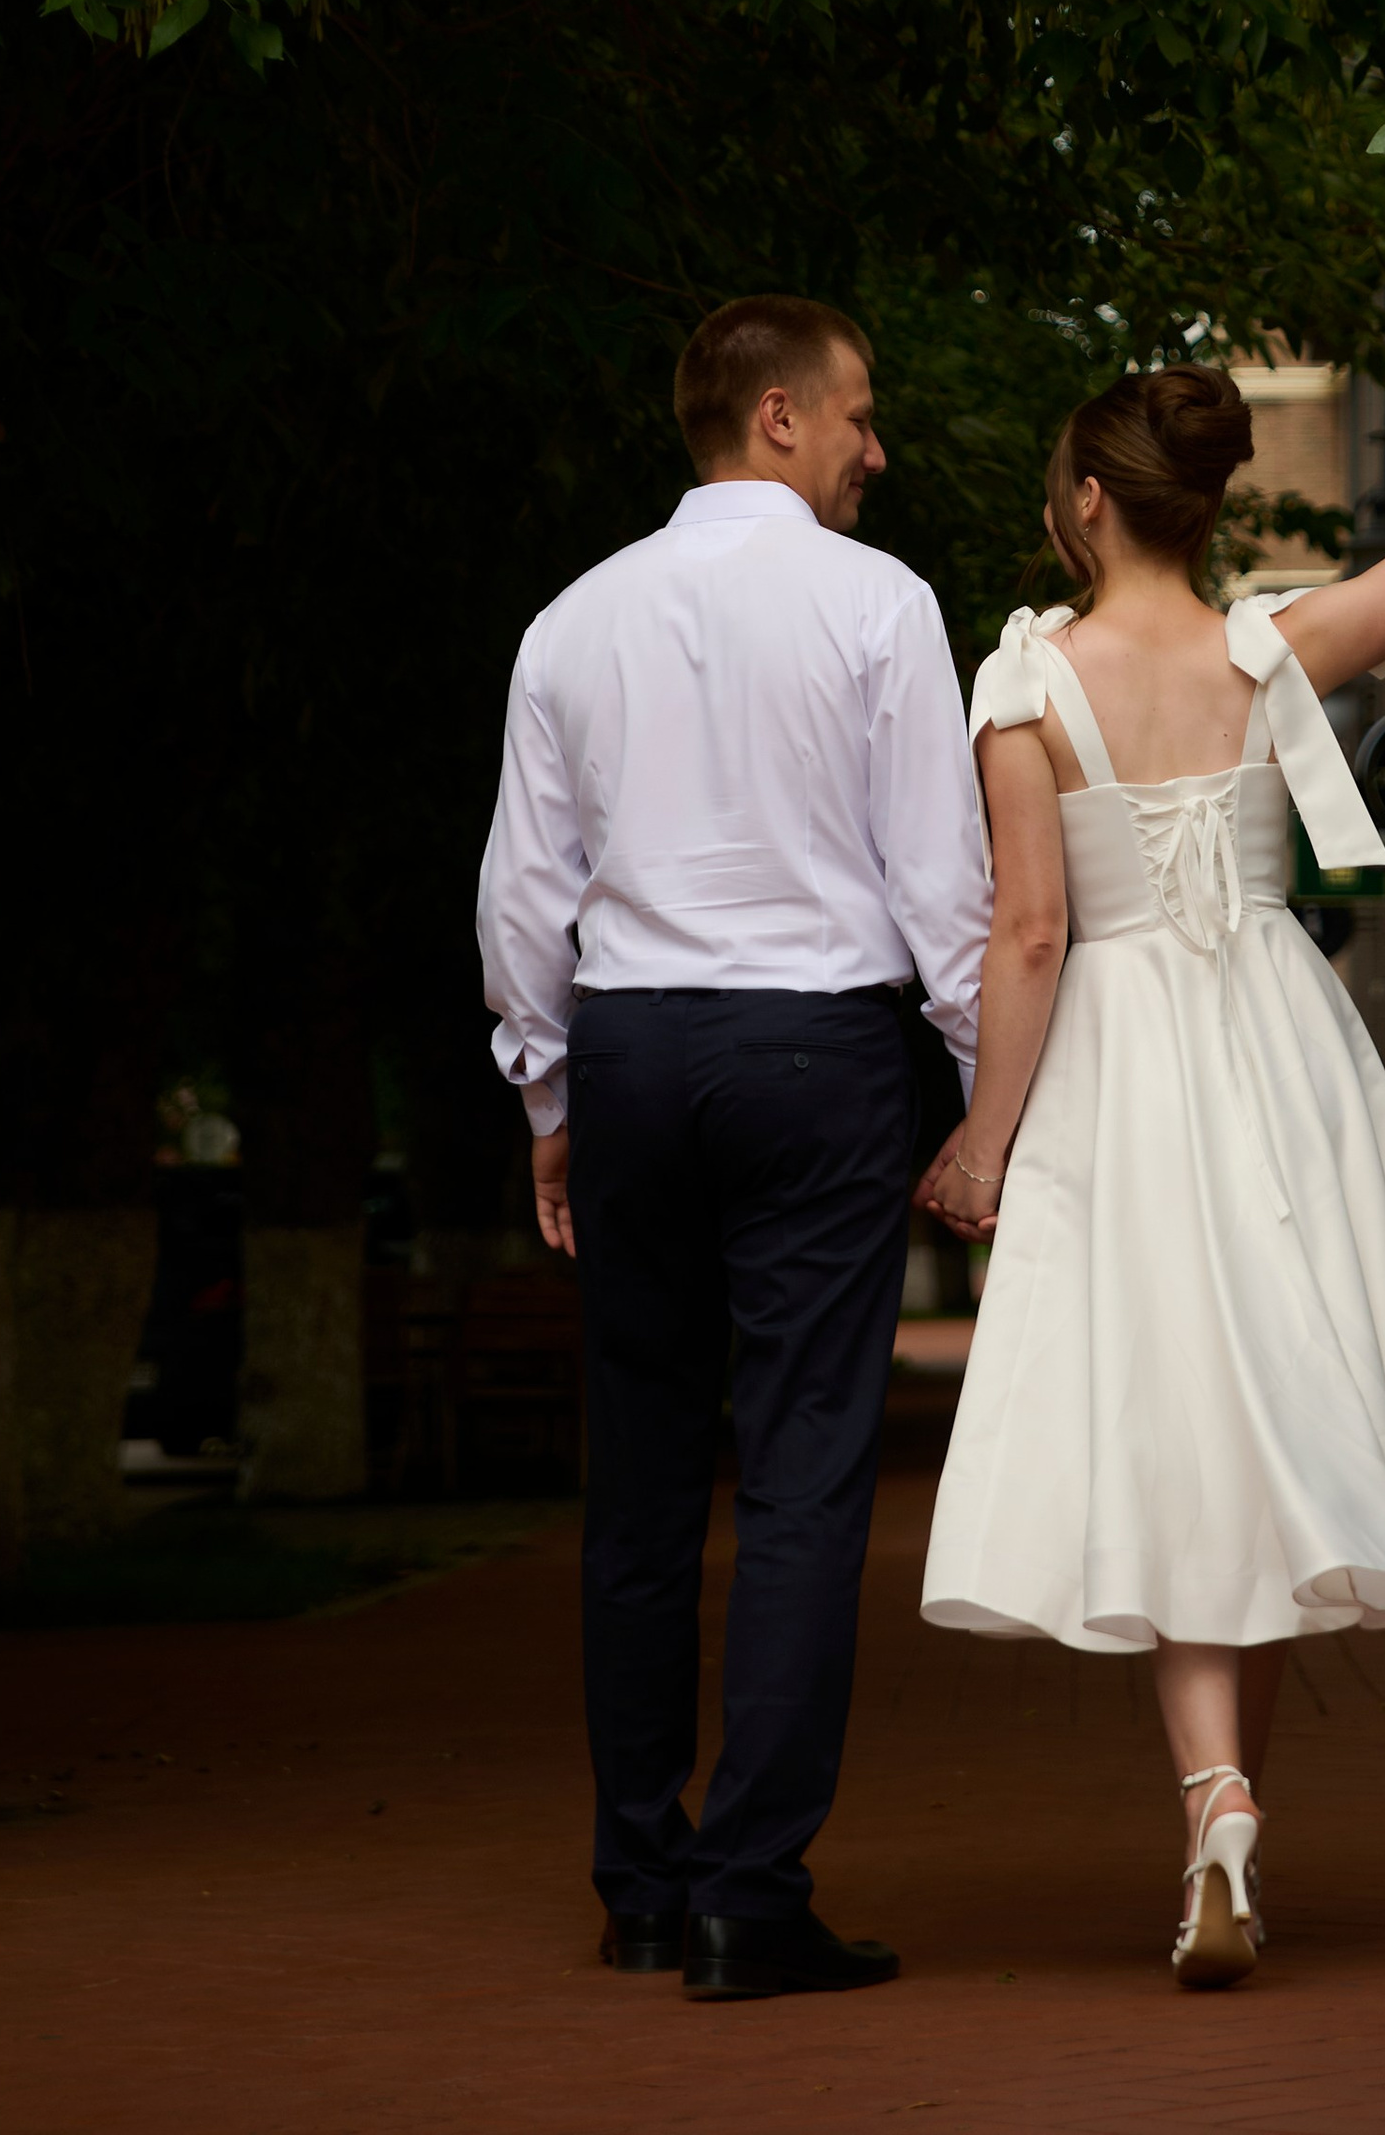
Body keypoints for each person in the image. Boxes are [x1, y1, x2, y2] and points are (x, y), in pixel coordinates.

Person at [917, 234, 1385, 1989]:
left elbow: (1031, 932)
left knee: (1179, 1433)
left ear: (1088, 505)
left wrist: (982, 1138)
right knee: (1260, 1431)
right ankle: (1231, 1822)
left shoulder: (1026, 685)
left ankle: (1215, 1800)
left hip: (1123, 1068)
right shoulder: (1275, 646)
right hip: (1283, 1050)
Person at [476, 295, 992, 2004]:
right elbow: (941, 887)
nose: (874, 450)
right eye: (858, 414)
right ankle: (747, 1896)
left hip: (630, 1047)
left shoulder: (572, 619)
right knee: (801, 1475)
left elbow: (523, 891)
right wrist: (991, 1099)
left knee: (636, 1479)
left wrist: (549, 1099)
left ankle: (640, 1882)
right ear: (778, 414)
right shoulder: (879, 602)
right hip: (815, 1051)